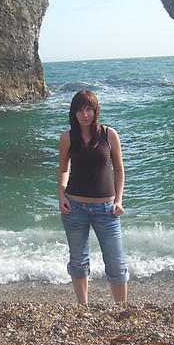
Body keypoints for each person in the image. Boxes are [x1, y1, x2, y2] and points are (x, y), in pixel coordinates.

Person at [57, 89, 129, 304]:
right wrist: (61, 195)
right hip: (74, 208)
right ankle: (83, 309)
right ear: (74, 113)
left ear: (96, 111)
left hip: (106, 210)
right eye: (80, 110)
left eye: (89, 109)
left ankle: (120, 310)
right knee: (78, 261)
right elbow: (63, 170)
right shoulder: (68, 137)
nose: (85, 114)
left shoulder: (109, 134)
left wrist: (118, 200)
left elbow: (119, 170)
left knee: (116, 262)